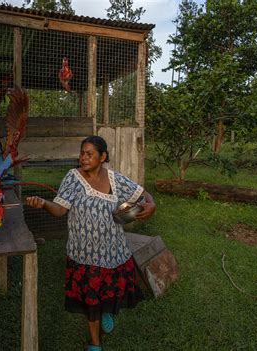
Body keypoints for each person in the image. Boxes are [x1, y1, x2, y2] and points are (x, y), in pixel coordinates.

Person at [26, 135, 156, 351]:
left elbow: (143, 195)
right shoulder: (72, 178)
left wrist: (152, 205)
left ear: (102, 157)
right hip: (85, 254)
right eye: (81, 153)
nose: (83, 158)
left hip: (113, 251)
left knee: (108, 292)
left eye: (89, 154)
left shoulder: (115, 179)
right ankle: (95, 344)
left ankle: (107, 312)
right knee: (90, 299)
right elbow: (59, 210)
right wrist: (43, 203)